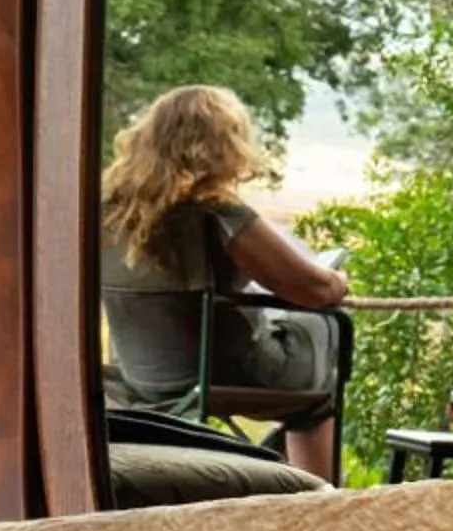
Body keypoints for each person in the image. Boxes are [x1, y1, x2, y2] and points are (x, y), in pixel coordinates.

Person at [99, 84, 347, 478]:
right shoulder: (216, 212)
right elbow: (312, 290)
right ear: (225, 143)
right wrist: (336, 279)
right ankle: (319, 494)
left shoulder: (106, 212)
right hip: (221, 375)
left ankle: (276, 471)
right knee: (323, 337)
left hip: (143, 376)